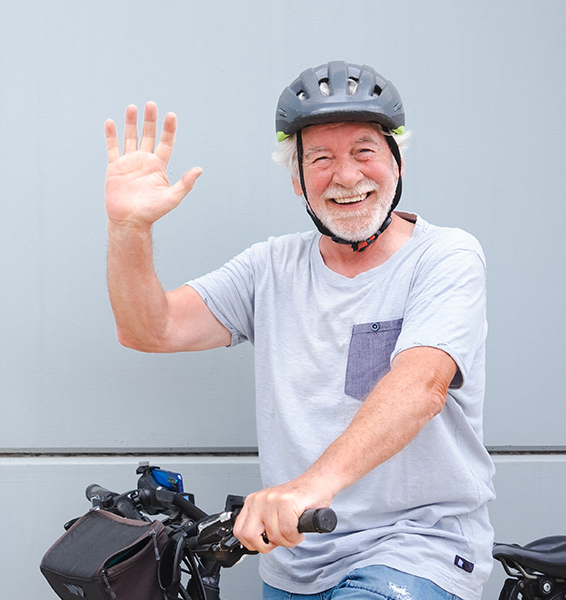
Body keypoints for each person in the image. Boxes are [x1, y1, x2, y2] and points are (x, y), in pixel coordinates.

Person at [103, 61, 495, 600]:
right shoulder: (271, 267)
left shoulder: (445, 257)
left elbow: (420, 385)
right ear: (298, 180)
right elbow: (150, 328)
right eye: (321, 159)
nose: (348, 175)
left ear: (397, 164)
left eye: (364, 151)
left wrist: (309, 487)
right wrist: (128, 228)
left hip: (414, 549)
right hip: (295, 563)